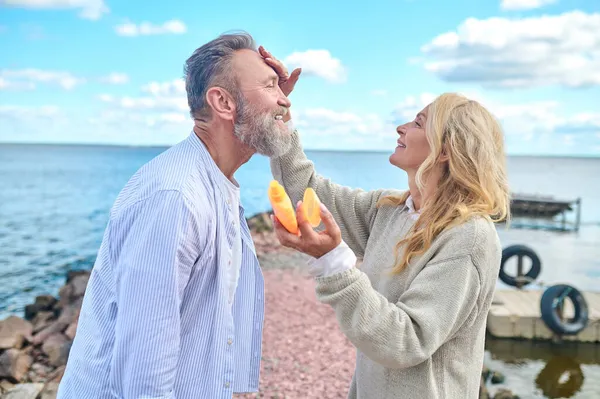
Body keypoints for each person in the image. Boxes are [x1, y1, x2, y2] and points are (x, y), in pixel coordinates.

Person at [57, 32, 301, 399]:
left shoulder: (214, 180)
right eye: (271, 86)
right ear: (222, 101)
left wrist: (273, 106)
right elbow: (145, 376)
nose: (285, 98)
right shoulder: (176, 197)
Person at [264, 52, 511, 399]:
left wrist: (333, 263)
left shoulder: (469, 238)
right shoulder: (391, 210)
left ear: (444, 150)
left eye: (419, 123)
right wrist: (279, 112)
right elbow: (307, 191)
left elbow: (405, 342)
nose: (401, 127)